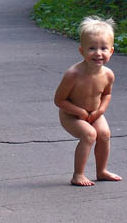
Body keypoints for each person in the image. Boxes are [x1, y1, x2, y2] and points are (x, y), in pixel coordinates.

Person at [53, 15, 123, 187]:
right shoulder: (73, 74)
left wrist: (100, 111)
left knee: (104, 134)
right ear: (81, 51)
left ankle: (101, 171)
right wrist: (80, 112)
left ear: (111, 51)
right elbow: (59, 100)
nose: (98, 53)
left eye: (103, 48)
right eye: (92, 48)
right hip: (72, 115)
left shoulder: (108, 74)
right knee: (89, 134)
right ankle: (78, 174)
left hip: (94, 113)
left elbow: (107, 94)